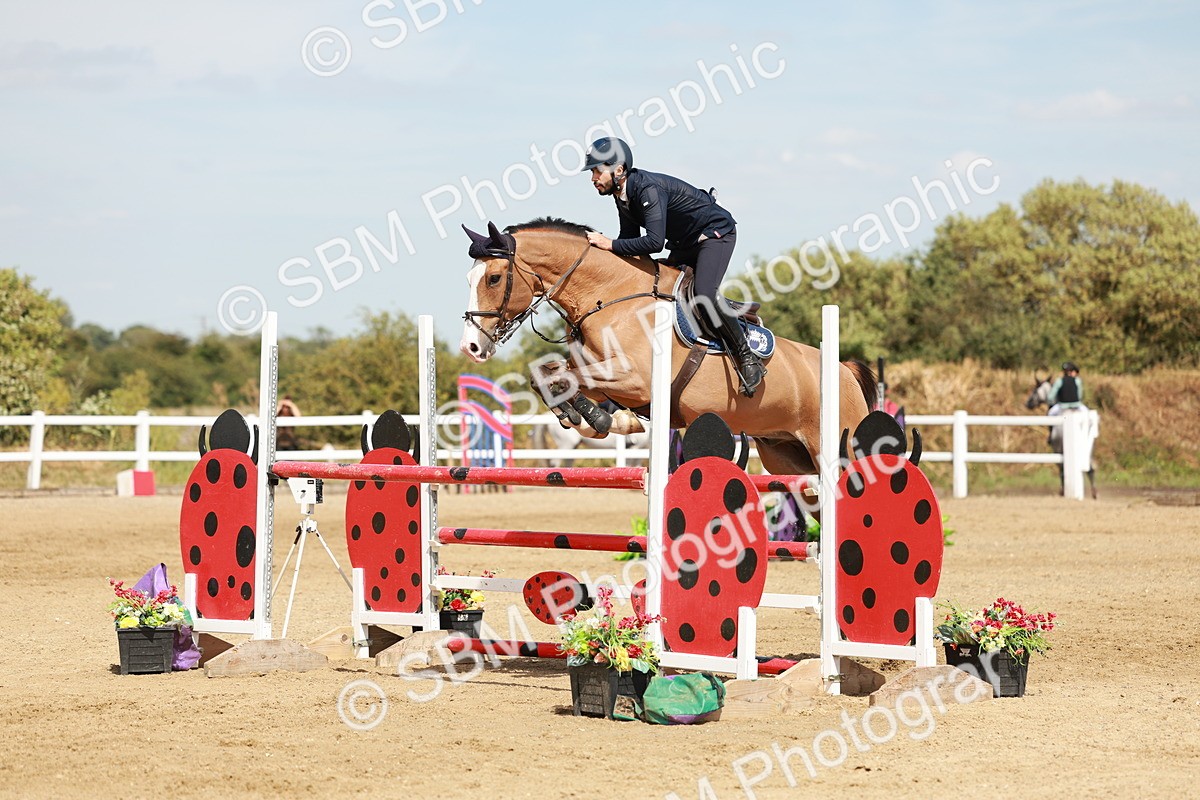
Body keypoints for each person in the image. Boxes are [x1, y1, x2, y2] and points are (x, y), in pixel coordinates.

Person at [581, 137, 766, 397]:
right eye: (592, 172)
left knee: (703, 292)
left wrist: (609, 244)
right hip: (686, 241)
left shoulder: (647, 190)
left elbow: (654, 243)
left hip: (714, 234)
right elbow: (631, 240)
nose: (593, 178)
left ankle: (747, 357)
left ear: (619, 170)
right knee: (660, 283)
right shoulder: (622, 195)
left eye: (597, 170)